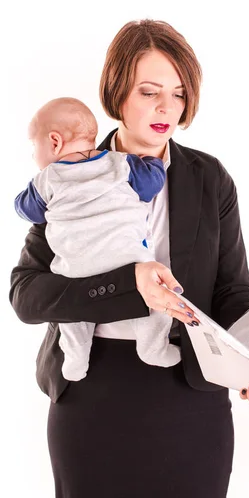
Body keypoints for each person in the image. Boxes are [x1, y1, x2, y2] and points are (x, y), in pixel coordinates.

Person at [10, 19, 249, 498]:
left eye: (179, 94)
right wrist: (126, 286)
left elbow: (232, 293)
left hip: (190, 397)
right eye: (149, 91)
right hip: (90, 396)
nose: (167, 108)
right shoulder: (68, 177)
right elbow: (27, 296)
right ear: (118, 93)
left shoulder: (209, 179)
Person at [14, 96, 190, 382]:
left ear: (55, 142)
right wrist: (151, 164)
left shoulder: (46, 180)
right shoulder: (121, 165)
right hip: (128, 258)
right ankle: (153, 347)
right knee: (159, 303)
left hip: (75, 270)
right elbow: (150, 185)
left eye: (34, 147)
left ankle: (76, 356)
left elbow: (28, 209)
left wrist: (29, 196)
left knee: (71, 318)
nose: (34, 155)